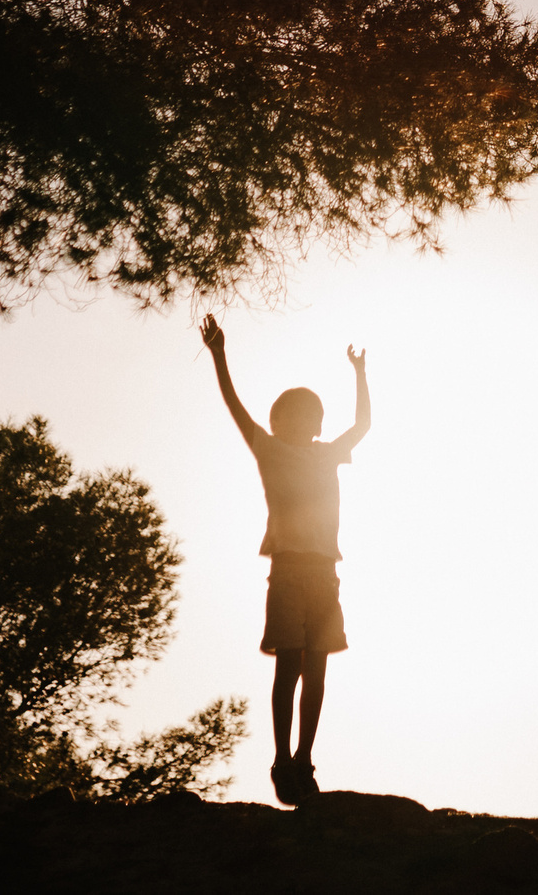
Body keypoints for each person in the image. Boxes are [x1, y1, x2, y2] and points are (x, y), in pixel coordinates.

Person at [199, 314, 370, 806]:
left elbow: (363, 424)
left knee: (317, 668)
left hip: (324, 574)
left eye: (314, 416)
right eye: (298, 416)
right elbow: (235, 407)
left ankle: (304, 760)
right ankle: (280, 759)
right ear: (280, 423)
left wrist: (359, 374)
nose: (309, 422)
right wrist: (219, 355)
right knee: (289, 667)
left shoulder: (329, 453)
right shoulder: (269, 451)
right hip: (290, 571)